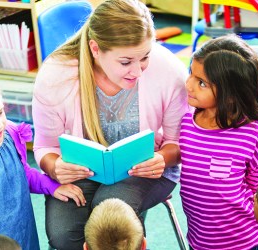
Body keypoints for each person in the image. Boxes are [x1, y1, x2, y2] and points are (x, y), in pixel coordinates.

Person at [32, 0, 188, 249]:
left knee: (110, 216)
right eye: (126, 62)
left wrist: (163, 158)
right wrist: (55, 167)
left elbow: (180, 141)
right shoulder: (56, 74)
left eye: (145, 57)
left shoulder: (169, 70)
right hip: (82, 173)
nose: (137, 71)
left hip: (146, 170)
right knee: (63, 236)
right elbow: (44, 147)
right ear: (95, 49)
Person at [179, 34, 258, 249]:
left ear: (231, 94)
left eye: (201, 83)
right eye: (191, 74)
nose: (188, 85)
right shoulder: (187, 121)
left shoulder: (252, 134)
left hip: (241, 240)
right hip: (199, 238)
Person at [0, 71, 86, 249]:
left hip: (24, 230)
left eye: (0, 112)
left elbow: (22, 174)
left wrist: (52, 186)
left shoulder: (10, 134)